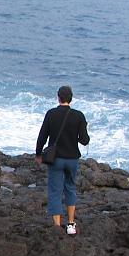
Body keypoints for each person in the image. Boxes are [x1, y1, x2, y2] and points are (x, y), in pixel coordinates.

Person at [35, 85, 90, 235]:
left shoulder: (51, 114)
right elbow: (85, 140)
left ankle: (57, 226)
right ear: (71, 98)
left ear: (58, 97)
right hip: (72, 159)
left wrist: (38, 154)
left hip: (56, 159)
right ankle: (71, 225)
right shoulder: (79, 116)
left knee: (55, 191)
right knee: (70, 188)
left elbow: (42, 137)